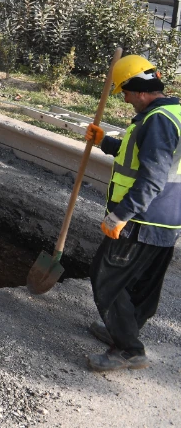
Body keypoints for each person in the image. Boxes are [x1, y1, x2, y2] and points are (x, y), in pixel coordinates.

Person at [84, 55, 181, 372]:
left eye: (125, 92)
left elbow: (151, 179)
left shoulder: (157, 121)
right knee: (141, 283)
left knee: (106, 277)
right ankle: (123, 331)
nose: (124, 99)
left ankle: (128, 349)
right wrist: (105, 142)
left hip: (143, 218)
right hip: (168, 217)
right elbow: (140, 155)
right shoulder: (171, 113)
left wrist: (120, 215)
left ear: (139, 90)